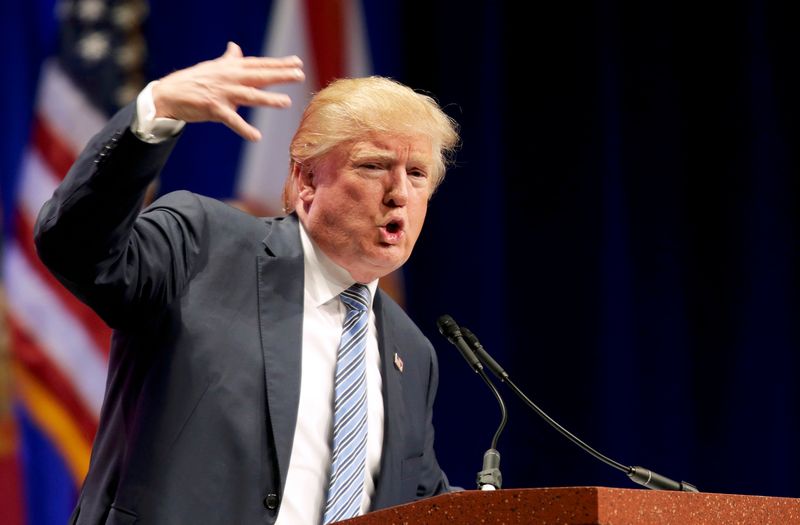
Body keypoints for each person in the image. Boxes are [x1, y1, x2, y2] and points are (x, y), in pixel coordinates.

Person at [34, 42, 459, 525]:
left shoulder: (412, 352)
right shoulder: (202, 246)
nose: (399, 193)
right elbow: (75, 245)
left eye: (418, 174)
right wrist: (156, 111)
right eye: (374, 166)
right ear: (306, 182)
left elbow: (422, 503)